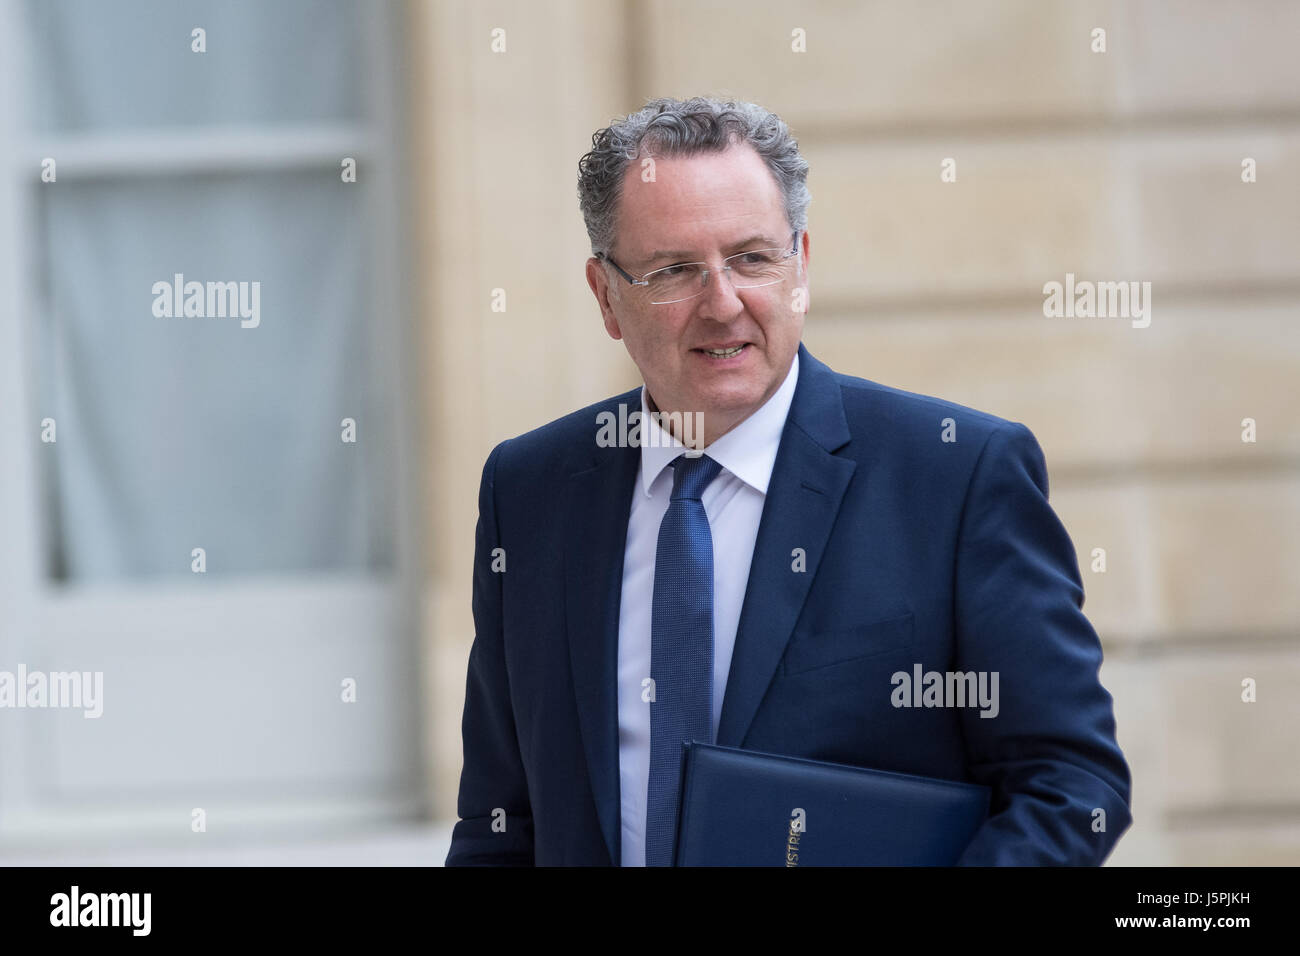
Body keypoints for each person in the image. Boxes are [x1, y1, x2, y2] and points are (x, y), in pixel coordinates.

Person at [445, 95, 1132, 866]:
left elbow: (1073, 787)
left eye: (752, 258)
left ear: (801, 262)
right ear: (606, 296)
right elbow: (499, 822)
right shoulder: (530, 492)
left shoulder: (956, 477)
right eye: (674, 270)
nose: (723, 302)